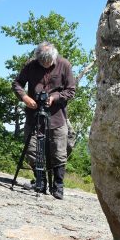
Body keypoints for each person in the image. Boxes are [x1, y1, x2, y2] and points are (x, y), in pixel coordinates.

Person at [12, 42, 76, 199]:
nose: (45, 65)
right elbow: (17, 83)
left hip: (57, 115)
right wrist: (25, 97)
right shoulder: (31, 65)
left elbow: (71, 90)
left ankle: (58, 186)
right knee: (32, 149)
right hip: (34, 114)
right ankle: (40, 181)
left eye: (48, 62)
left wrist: (55, 97)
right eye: (42, 62)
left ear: (54, 57)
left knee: (59, 151)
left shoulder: (64, 64)